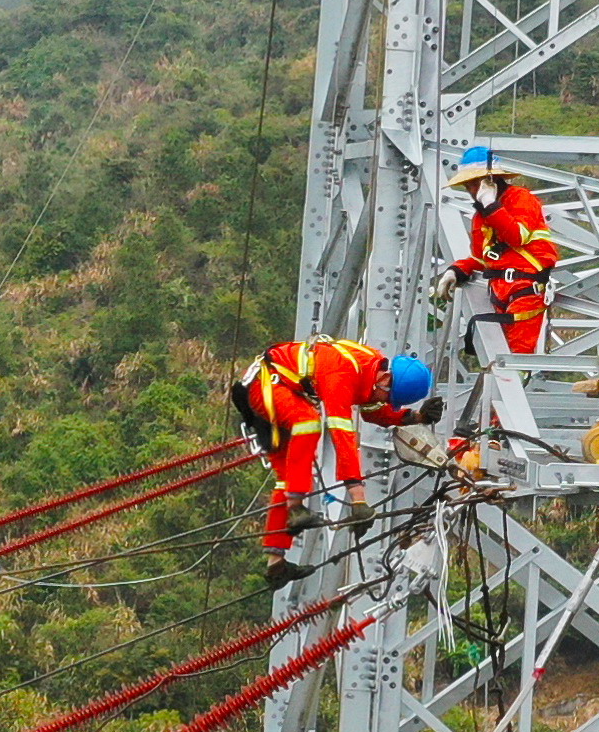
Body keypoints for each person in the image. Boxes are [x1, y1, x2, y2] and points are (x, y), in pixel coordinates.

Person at [236, 338, 435, 559]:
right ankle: (295, 507)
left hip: (283, 388)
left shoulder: (371, 369)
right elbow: (342, 432)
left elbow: (372, 411)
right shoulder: (343, 371)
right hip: (268, 384)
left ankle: (276, 560)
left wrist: (417, 417)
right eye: (390, 397)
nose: (387, 401)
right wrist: (358, 498)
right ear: (385, 379)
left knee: (287, 476)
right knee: (308, 423)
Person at [446, 144, 558, 362]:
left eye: (475, 183)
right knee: (495, 357)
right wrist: (457, 271)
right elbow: (480, 259)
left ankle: (515, 390)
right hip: (497, 292)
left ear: (491, 180)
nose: (471, 190)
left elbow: (517, 236)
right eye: (468, 185)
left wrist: (490, 204)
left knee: (516, 359)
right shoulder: (481, 218)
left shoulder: (520, 198)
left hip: (525, 289)